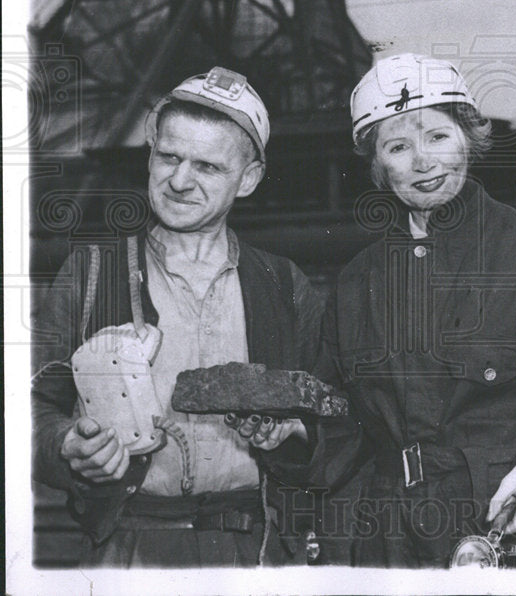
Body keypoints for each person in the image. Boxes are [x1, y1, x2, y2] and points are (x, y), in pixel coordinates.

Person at [281, 53, 516, 567]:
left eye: (437, 137)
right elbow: (343, 429)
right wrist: (293, 437)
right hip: (388, 541)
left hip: (505, 530)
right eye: (398, 147)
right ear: (379, 166)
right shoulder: (357, 283)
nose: (422, 162)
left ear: (468, 140)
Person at [31, 67, 327, 567]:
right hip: (127, 549)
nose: (180, 180)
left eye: (208, 167)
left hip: (254, 553)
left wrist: (293, 435)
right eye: (169, 156)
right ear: (150, 157)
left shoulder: (283, 285)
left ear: (248, 178)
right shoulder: (91, 275)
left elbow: (335, 423)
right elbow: (27, 408)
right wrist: (66, 448)